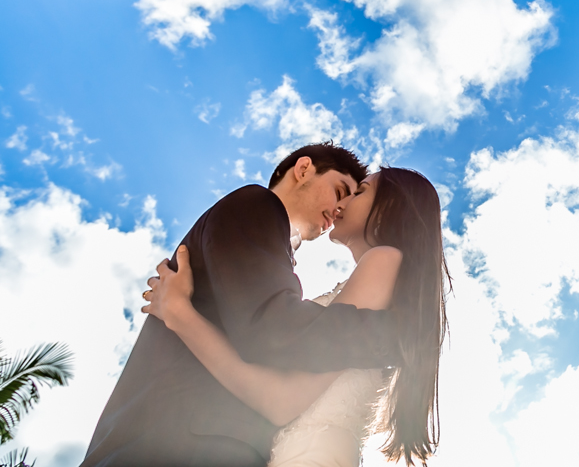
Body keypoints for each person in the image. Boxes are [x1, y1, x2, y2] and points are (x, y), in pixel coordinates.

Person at [81, 143, 402, 466]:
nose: (340, 207)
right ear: (303, 169)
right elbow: (273, 330)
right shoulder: (256, 205)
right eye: (339, 191)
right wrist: (395, 334)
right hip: (171, 446)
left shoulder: (274, 253)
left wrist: (180, 313)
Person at [142, 167, 448, 467]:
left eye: (359, 192)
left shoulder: (384, 259)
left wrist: (180, 313)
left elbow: (280, 401)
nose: (342, 203)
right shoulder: (377, 280)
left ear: (388, 208)